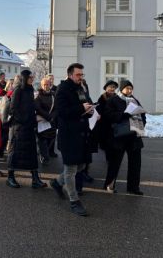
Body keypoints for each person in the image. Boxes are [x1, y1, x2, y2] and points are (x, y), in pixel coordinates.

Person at [50, 63, 94, 217]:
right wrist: (82, 108)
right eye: (78, 75)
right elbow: (62, 112)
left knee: (81, 165)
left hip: (82, 134)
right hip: (68, 135)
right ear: (69, 75)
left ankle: (56, 183)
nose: (81, 77)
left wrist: (90, 110)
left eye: (82, 75)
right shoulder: (63, 89)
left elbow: (85, 104)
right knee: (71, 169)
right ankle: (74, 202)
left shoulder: (81, 88)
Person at [103, 80, 146, 195]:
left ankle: (133, 187)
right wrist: (123, 115)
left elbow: (142, 114)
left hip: (134, 136)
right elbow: (108, 115)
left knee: (135, 163)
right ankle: (109, 184)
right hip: (119, 137)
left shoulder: (135, 100)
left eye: (131, 88)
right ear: (121, 89)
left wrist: (142, 123)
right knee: (115, 162)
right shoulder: (114, 100)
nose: (130, 90)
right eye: (127, 88)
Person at [6, 70, 47, 189]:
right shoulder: (18, 90)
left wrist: (43, 117)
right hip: (18, 127)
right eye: (30, 77)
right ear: (24, 78)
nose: (32, 79)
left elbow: (33, 107)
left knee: (32, 153)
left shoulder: (30, 90)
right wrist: (24, 120)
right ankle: (10, 177)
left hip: (29, 127)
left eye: (33, 77)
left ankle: (35, 179)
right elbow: (13, 109)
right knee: (14, 152)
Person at [93, 80, 118, 164]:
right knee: (107, 143)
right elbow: (99, 110)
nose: (112, 89)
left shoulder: (117, 97)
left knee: (114, 142)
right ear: (106, 88)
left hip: (114, 123)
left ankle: (113, 157)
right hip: (104, 124)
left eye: (114, 87)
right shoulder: (102, 98)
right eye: (110, 87)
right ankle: (109, 159)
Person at [34, 77, 58, 165]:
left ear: (50, 85)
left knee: (50, 139)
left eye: (47, 84)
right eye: (44, 84)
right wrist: (48, 116)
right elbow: (38, 108)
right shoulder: (38, 95)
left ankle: (44, 153)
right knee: (42, 140)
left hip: (51, 122)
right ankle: (44, 157)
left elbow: (57, 107)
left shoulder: (53, 95)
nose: (46, 86)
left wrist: (52, 116)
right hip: (42, 121)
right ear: (41, 85)